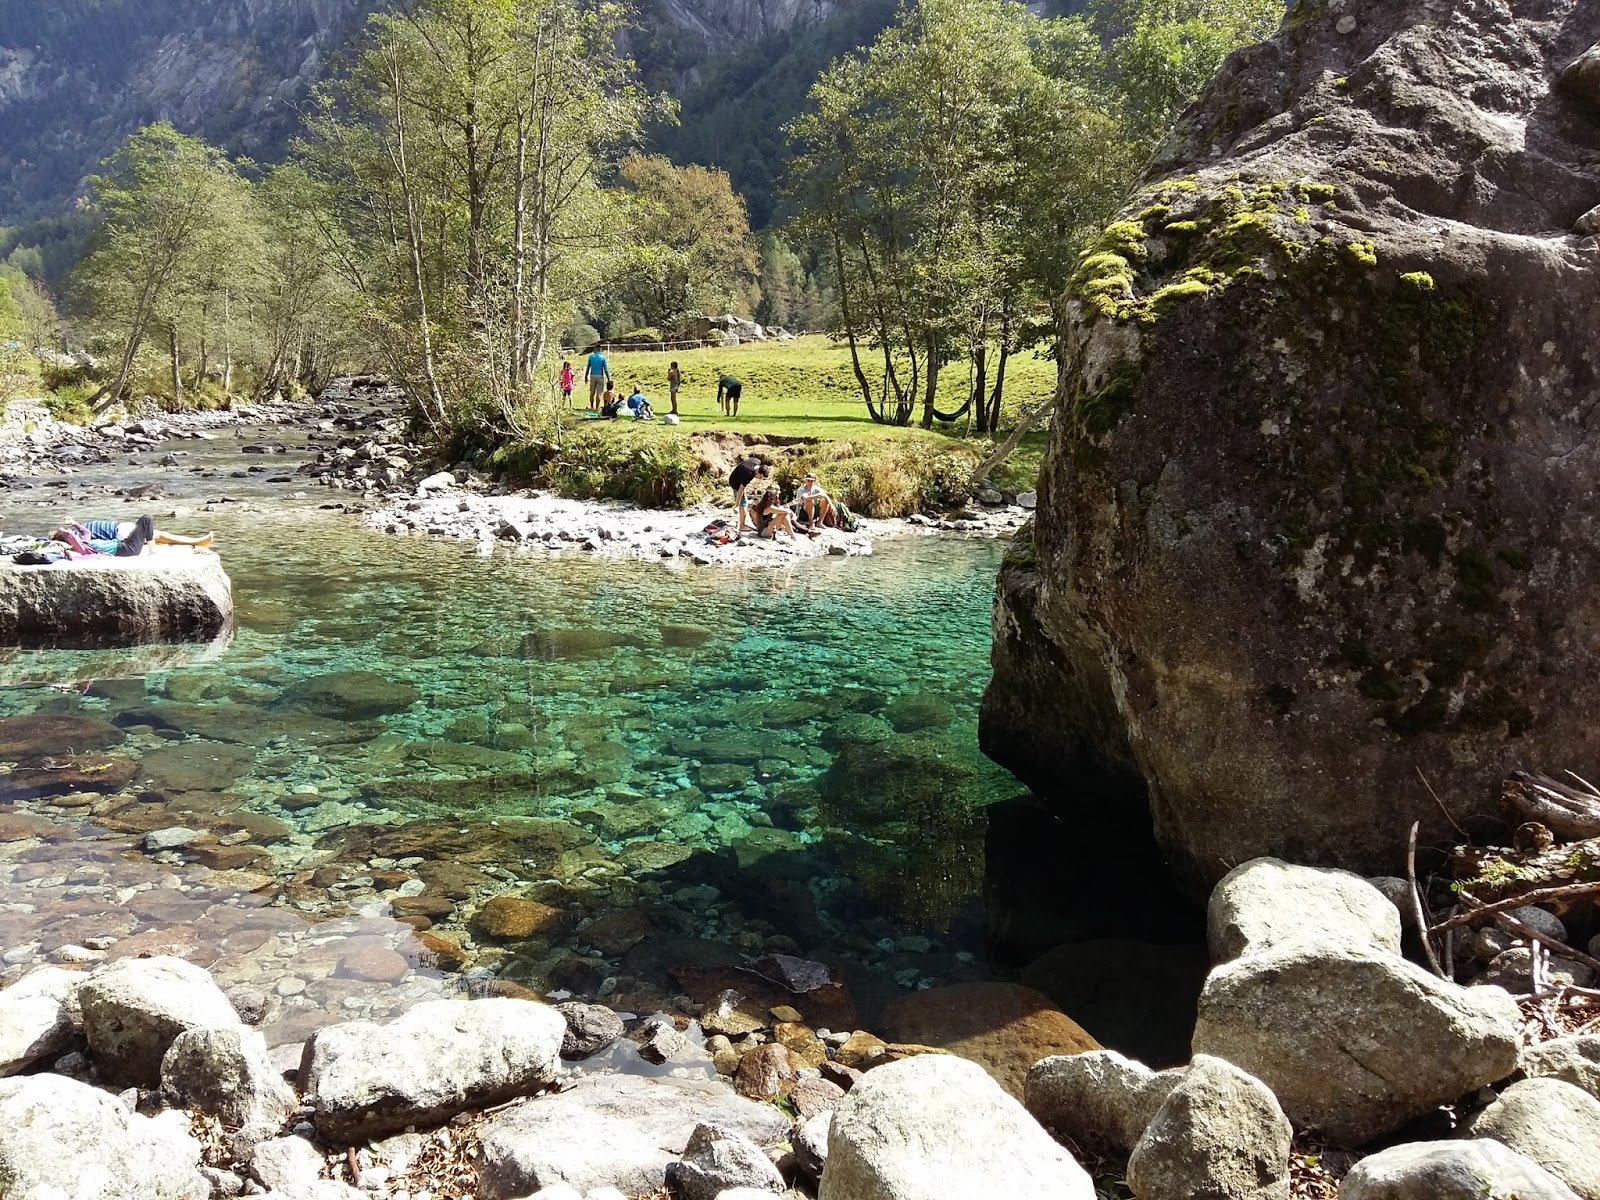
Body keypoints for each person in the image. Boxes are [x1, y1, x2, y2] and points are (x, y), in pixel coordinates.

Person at [53, 516, 212, 557]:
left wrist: (73, 523)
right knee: (159, 535)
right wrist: (69, 527)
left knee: (159, 537)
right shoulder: (76, 538)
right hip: (120, 532)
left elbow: (84, 533)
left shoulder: (81, 536)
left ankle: (194, 543)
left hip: (120, 532)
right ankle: (197, 541)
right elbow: (75, 536)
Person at [728, 456, 768, 536]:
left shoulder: (757, 461)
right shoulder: (748, 474)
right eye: (760, 477)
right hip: (735, 482)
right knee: (742, 503)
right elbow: (740, 490)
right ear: (758, 472)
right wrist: (736, 505)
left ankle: (744, 521)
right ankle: (742, 526)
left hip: (740, 478)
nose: (760, 479)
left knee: (745, 501)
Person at [584, 346, 610, 411]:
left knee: (592, 393)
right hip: (600, 376)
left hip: (592, 375)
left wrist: (586, 376)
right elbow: (606, 369)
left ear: (594, 350)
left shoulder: (591, 357)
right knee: (599, 393)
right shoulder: (603, 358)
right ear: (600, 350)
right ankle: (597, 408)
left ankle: (592, 407)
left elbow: (588, 368)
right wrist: (608, 378)